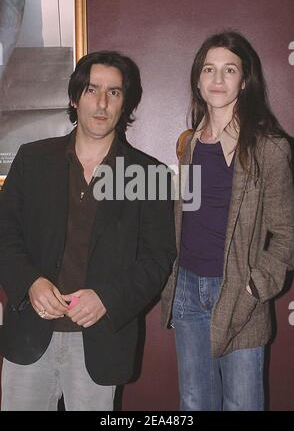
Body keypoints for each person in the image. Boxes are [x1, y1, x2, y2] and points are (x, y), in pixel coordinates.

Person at [0, 50, 176, 411]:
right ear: (74, 97)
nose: (101, 102)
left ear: (125, 103)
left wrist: (108, 299)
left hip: (100, 342)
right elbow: (5, 233)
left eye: (113, 92)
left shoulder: (150, 174)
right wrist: (30, 282)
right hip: (30, 336)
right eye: (93, 89)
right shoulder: (32, 160)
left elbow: (158, 259)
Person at [161, 30, 294, 411]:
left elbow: (287, 234)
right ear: (198, 79)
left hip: (240, 290)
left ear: (244, 79)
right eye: (209, 69)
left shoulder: (269, 147)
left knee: (242, 405)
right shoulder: (188, 144)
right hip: (187, 289)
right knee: (194, 402)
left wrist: (255, 286)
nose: (218, 80)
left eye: (229, 69)